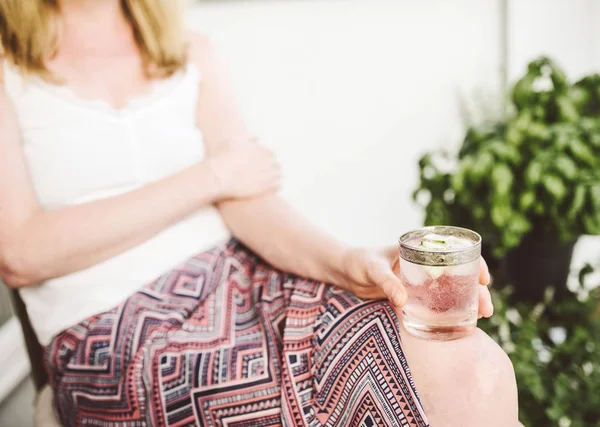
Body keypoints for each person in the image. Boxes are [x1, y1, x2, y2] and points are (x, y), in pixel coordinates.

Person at [0, 0, 519, 426]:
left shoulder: (189, 51)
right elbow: (19, 252)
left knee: (475, 371)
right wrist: (211, 177)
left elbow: (249, 202)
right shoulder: (7, 66)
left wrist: (345, 262)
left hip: (241, 280)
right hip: (114, 337)